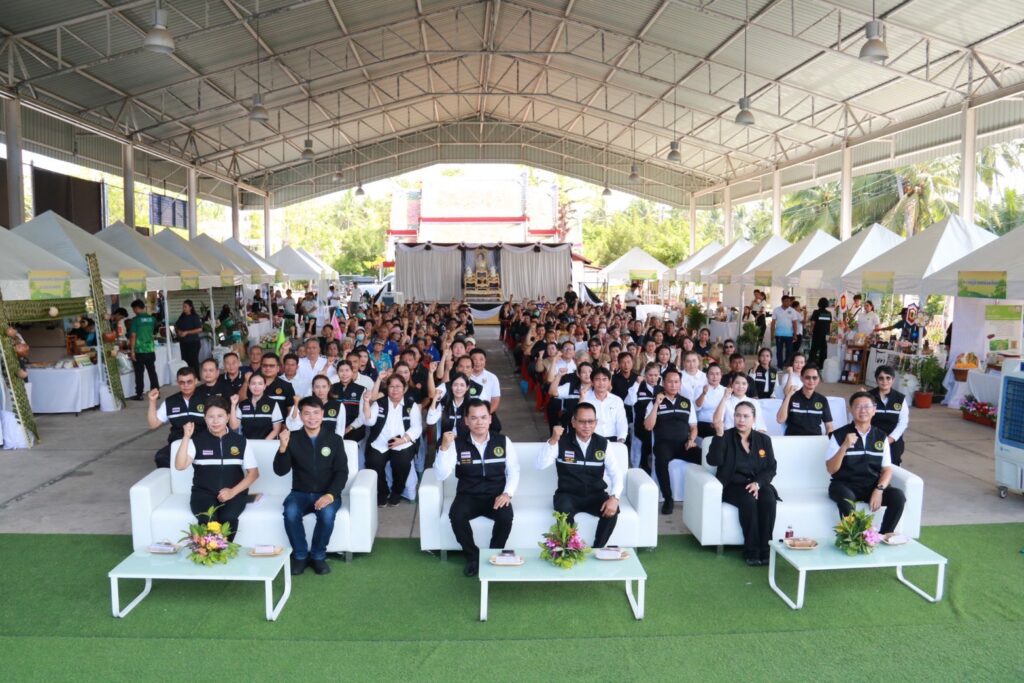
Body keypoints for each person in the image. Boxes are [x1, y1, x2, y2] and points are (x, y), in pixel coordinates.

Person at [435, 400, 520, 577]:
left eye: (483, 417)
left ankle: (493, 555)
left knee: (506, 517)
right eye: (474, 418)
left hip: (496, 495)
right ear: (466, 420)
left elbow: (513, 470)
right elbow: (441, 474)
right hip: (468, 495)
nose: (479, 422)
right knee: (456, 515)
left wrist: (507, 493)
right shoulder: (456, 444)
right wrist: (443, 448)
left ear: (490, 419)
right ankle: (473, 557)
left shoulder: (503, 441)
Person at [275, 396, 349, 575]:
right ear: (300, 416)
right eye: (307, 413)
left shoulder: (334, 439)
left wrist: (330, 495)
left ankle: (318, 556)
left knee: (327, 515)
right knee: (290, 513)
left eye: (316, 413)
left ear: (323, 414)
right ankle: (300, 556)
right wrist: (282, 447)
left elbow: (342, 472)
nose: (312, 417)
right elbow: (280, 471)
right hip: (299, 493)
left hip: (327, 493)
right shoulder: (292, 438)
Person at [536, 403, 623, 549]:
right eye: (582, 421)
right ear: (573, 422)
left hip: (595, 494)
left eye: (591, 421)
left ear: (596, 422)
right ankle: (571, 550)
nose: (587, 426)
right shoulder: (561, 441)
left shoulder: (603, 444)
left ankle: (597, 549)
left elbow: (616, 473)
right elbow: (540, 465)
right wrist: (553, 440)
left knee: (613, 510)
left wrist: (615, 497)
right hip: (568, 494)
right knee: (563, 511)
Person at [175, 397, 259, 541]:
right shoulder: (197, 441)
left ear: (228, 417)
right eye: (211, 417)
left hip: (234, 493)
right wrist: (186, 437)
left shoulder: (240, 441)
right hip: (203, 494)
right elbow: (180, 465)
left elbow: (254, 474)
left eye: (220, 416)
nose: (215, 421)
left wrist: (232, 492)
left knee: (229, 517)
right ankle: (210, 550)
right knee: (209, 518)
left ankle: (224, 550)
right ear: (205, 418)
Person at [708, 400, 777, 565]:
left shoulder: (763, 440)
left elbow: (771, 468)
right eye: (738, 415)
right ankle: (751, 551)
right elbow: (713, 460)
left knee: (768, 499)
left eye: (746, 416)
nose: (741, 420)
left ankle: (766, 550)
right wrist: (718, 435)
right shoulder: (725, 437)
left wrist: (758, 483)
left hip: (758, 484)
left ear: (754, 419)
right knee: (748, 500)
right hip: (733, 485)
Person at [826, 392, 906, 534]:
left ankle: (883, 536)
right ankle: (854, 538)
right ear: (851, 410)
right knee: (846, 500)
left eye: (867, 406)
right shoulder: (838, 435)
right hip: (844, 485)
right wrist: (844, 446)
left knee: (898, 496)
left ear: (874, 410)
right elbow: (831, 469)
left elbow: (887, 469)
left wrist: (879, 490)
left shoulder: (881, 436)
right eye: (858, 406)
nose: (863, 410)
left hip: (871, 485)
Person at [644, 368, 700, 514]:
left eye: (676, 382)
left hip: (684, 444)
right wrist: (656, 404)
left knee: (705, 457)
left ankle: (701, 494)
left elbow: (694, 427)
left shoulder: (687, 403)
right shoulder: (653, 402)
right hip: (664, 445)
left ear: (680, 383)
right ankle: (668, 498)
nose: (673, 385)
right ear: (663, 383)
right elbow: (648, 426)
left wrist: (691, 439)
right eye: (670, 382)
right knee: (661, 461)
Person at [363, 372, 423, 507]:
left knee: (401, 463)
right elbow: (369, 422)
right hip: (380, 442)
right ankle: (382, 492)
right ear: (387, 388)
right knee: (373, 462)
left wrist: (403, 440)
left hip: (402, 443)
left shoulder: (410, 405)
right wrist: (366, 403)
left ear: (404, 388)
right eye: (391, 386)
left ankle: (397, 491)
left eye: (398, 386)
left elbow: (417, 427)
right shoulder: (380, 403)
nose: (395, 389)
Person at [147, 366, 206, 468]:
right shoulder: (170, 401)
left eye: (189, 382)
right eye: (182, 382)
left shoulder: (207, 399)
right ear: (177, 383)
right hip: (178, 442)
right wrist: (152, 401)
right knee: (161, 457)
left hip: (202, 442)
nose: (186, 385)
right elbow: (153, 424)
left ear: (196, 381)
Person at [868, 365, 910, 466]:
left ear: (893, 380)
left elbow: (903, 422)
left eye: (888, 378)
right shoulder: (868, 396)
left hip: (893, 441)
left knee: (893, 466)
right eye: (881, 378)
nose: (884, 381)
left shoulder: (900, 398)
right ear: (876, 380)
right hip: (872, 438)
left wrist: (890, 439)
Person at [625, 362, 662, 474]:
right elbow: (629, 401)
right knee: (637, 460)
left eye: (656, 375)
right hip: (640, 429)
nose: (653, 378)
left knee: (654, 460)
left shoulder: (662, 389)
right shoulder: (638, 388)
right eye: (650, 375)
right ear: (645, 375)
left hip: (657, 430)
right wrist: (637, 383)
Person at [776, 364, 834, 435]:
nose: (811, 381)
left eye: (814, 378)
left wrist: (829, 439)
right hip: (793, 438)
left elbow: (829, 426)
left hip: (815, 438)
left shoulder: (822, 400)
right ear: (801, 378)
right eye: (807, 377)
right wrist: (788, 396)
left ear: (818, 380)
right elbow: (780, 420)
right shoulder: (792, 396)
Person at [580, 367, 628, 443]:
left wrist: (621, 440)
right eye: (597, 379)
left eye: (604, 379)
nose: (601, 383)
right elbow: (579, 420)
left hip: (613, 439)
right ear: (592, 382)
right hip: (591, 440)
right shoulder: (585, 399)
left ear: (609, 382)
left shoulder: (617, 400)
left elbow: (622, 422)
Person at [230, 373, 283, 439]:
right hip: (247, 443)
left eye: (260, 384)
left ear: (264, 386)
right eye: (253, 383)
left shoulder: (273, 403)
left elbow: (276, 429)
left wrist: (263, 443)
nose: (256, 386)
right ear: (249, 386)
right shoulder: (242, 404)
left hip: (267, 443)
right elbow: (234, 426)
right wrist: (233, 405)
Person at [328, 361, 367, 443]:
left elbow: (362, 416)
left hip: (354, 431)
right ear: (337, 373)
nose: (344, 374)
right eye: (341, 371)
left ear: (352, 372)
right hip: (334, 430)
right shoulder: (331, 388)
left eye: (347, 370)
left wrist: (349, 428)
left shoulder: (361, 389)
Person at [128, 299, 159, 401]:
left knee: (139, 374)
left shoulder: (135, 320)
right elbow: (154, 332)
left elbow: (133, 336)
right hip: (150, 349)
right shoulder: (152, 319)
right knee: (152, 372)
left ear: (137, 308)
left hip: (139, 350)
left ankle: (139, 394)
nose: (133, 311)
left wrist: (132, 351)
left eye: (133, 309)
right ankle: (156, 393)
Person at [695, 363, 726, 437]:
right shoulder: (700, 388)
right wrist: (703, 393)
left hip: (720, 425)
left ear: (721, 375)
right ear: (707, 375)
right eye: (712, 374)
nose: (715, 377)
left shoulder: (725, 390)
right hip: (704, 424)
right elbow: (697, 407)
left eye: (717, 374)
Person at [174, 300, 203, 371]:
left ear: (190, 307)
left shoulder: (194, 317)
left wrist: (187, 332)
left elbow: (199, 329)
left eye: (185, 307)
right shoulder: (182, 317)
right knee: (185, 361)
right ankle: (187, 375)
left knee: (193, 361)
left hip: (193, 343)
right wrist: (178, 331)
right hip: (183, 343)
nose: (183, 308)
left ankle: (196, 376)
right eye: (183, 307)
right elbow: (176, 326)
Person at [771, 295, 797, 368]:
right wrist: (772, 334)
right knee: (779, 351)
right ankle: (780, 366)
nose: (788, 303)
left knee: (789, 351)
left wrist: (795, 334)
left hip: (789, 335)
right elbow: (773, 323)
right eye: (786, 301)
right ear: (782, 301)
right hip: (779, 334)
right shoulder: (776, 310)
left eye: (789, 301)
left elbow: (794, 323)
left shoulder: (792, 310)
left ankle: (787, 364)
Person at [808, 297, 833, 368]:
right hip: (826, 334)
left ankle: (811, 365)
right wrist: (829, 333)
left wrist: (810, 331)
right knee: (823, 350)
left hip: (817, 333)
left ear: (819, 303)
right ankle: (821, 365)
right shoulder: (829, 313)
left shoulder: (816, 312)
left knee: (814, 349)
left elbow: (813, 323)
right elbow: (830, 324)